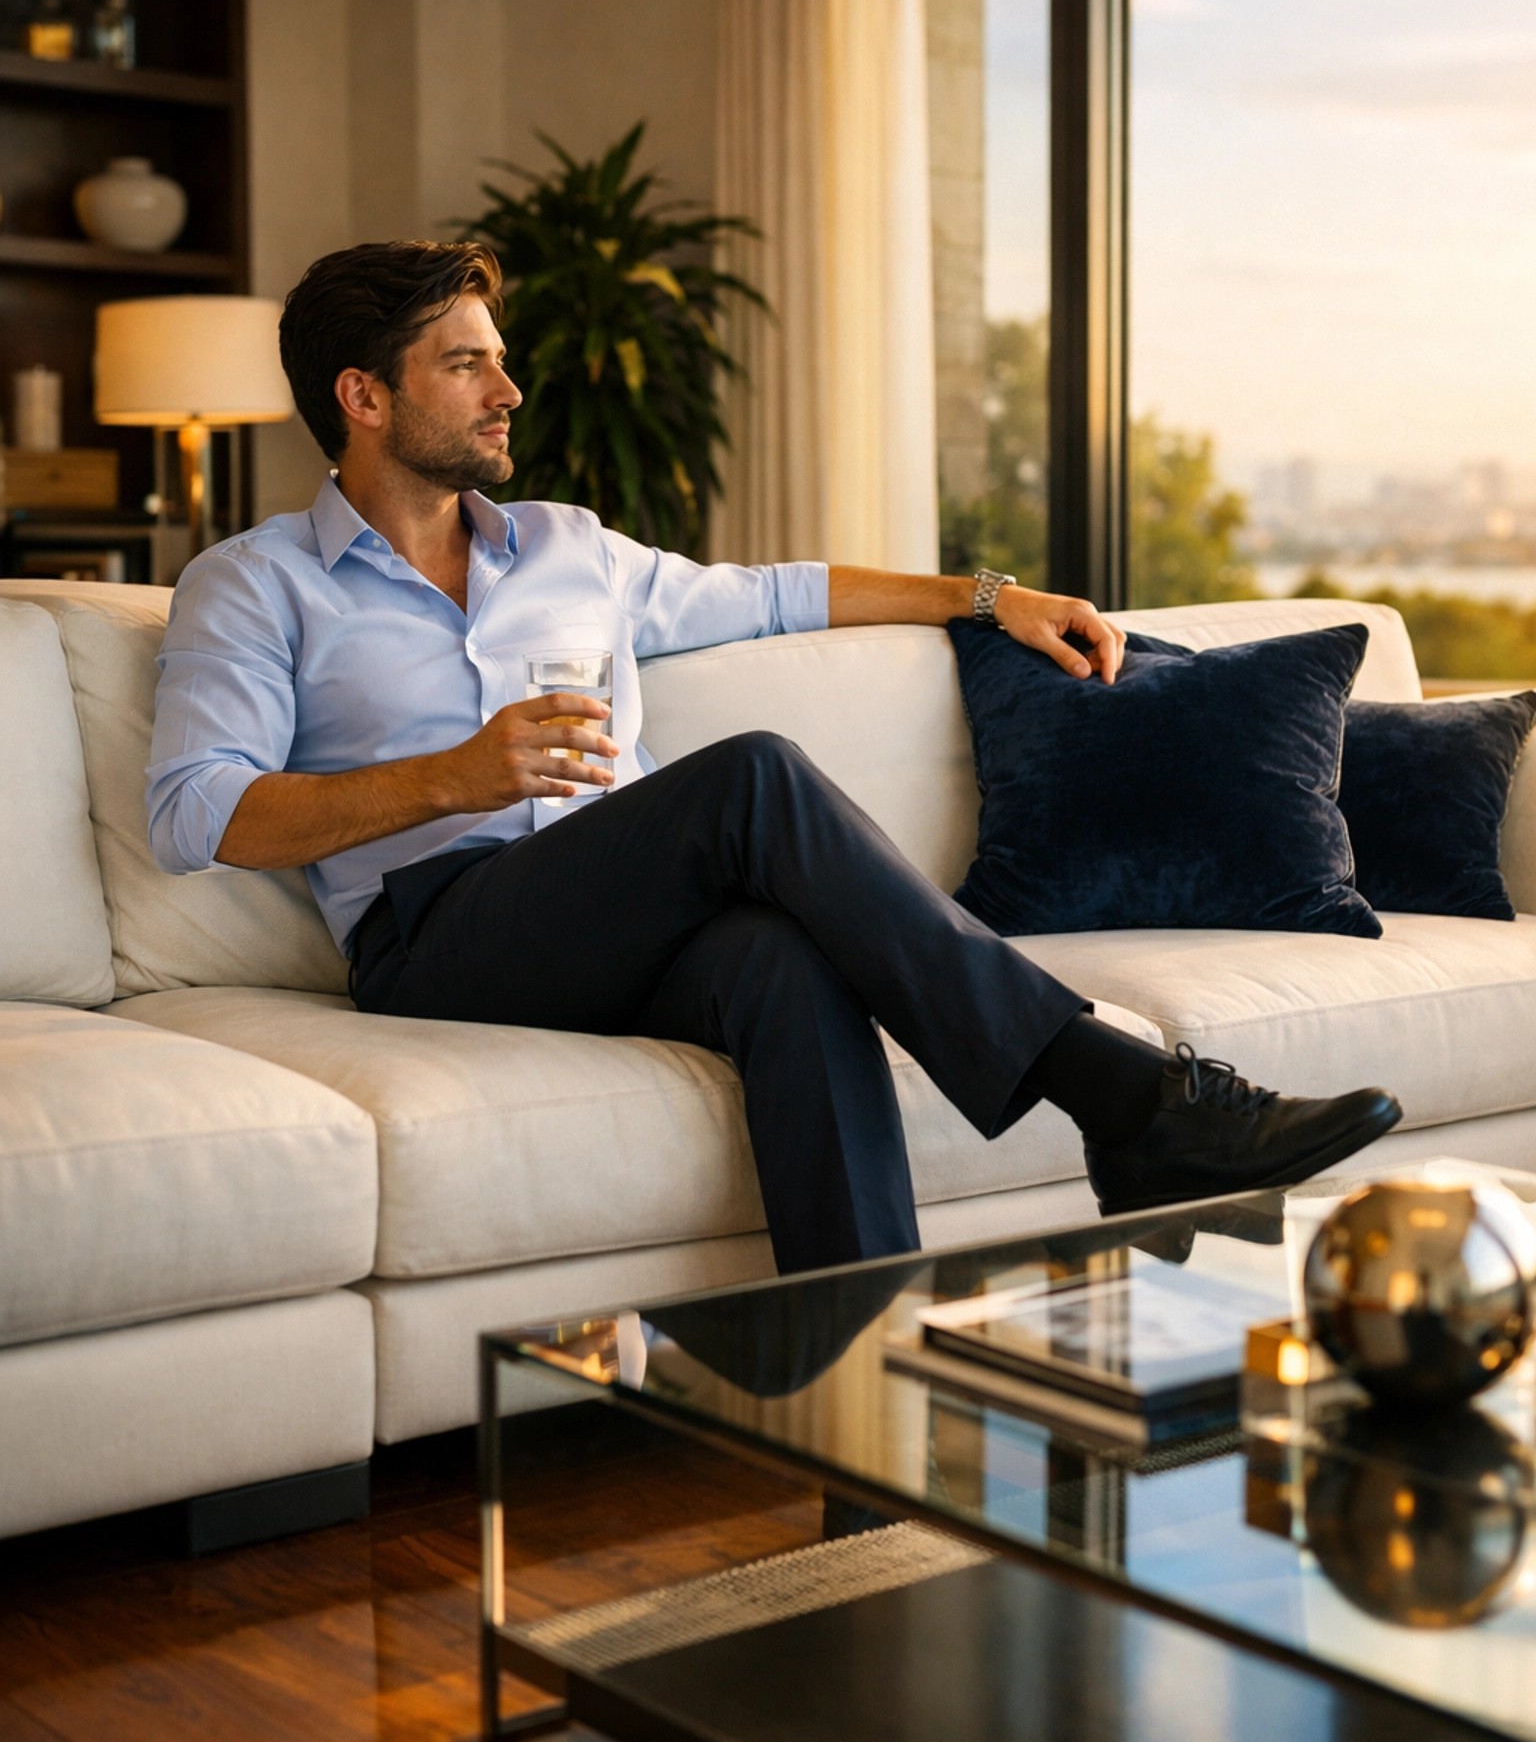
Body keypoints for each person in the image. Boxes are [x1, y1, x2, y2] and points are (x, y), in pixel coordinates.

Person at [147, 240, 1400, 1275]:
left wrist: (989, 598)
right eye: (466, 364)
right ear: (364, 398)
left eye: (500, 359)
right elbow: (195, 812)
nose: (508, 390)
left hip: (617, 914)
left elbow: (775, 594)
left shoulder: (568, 547)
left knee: (782, 963)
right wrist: (454, 778)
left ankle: (858, 1379)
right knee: (751, 775)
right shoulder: (255, 584)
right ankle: (1126, 1098)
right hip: (436, 939)